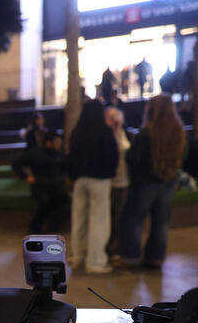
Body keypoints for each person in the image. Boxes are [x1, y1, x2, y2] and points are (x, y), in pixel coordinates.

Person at [119, 95, 187, 269]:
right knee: (161, 222)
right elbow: (183, 156)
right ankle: (155, 258)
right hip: (169, 181)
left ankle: (131, 257)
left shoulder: (146, 133)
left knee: (133, 219)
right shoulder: (179, 132)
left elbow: (134, 158)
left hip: (145, 182)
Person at [67, 98, 118, 274]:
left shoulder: (77, 131)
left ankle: (78, 256)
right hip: (100, 180)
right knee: (99, 220)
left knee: (79, 219)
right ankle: (95, 261)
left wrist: (73, 175)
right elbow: (113, 156)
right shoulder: (104, 131)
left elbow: (70, 157)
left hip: (80, 180)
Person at [13, 131, 69, 234]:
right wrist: (26, 176)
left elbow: (65, 167)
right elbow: (16, 163)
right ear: (49, 142)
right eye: (57, 142)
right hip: (39, 185)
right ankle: (34, 227)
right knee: (44, 201)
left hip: (56, 185)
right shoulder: (36, 153)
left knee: (62, 198)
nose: (59, 144)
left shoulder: (60, 154)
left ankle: (53, 225)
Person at [104, 106, 131, 260]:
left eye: (116, 116)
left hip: (124, 182)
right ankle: (107, 248)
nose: (114, 120)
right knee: (108, 218)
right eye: (110, 117)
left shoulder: (126, 134)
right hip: (108, 183)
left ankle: (116, 249)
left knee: (119, 218)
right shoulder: (104, 136)